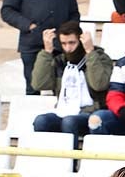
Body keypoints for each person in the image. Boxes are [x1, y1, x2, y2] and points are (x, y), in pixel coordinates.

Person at [33, 21, 114, 149]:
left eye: (72, 43)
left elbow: (99, 84)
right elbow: (39, 84)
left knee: (69, 121)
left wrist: (90, 52)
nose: (68, 48)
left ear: (81, 41)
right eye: (64, 44)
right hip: (63, 110)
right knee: (41, 121)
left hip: (90, 111)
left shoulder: (100, 57)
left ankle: (71, 163)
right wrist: (47, 52)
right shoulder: (60, 61)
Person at [1, 0, 80, 95]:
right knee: (33, 87)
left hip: (61, 45)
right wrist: (30, 26)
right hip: (32, 43)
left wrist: (66, 33)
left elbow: (74, 13)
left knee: (64, 88)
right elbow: (7, 11)